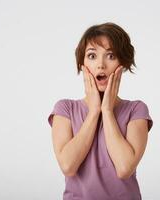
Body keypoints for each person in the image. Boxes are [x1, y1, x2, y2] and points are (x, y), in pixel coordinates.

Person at [47, 22, 153, 200]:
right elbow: (68, 166)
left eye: (111, 56)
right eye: (92, 56)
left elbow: (124, 168)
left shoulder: (136, 109)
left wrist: (107, 111)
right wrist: (94, 111)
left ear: (123, 64)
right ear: (82, 63)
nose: (101, 65)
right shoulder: (64, 109)